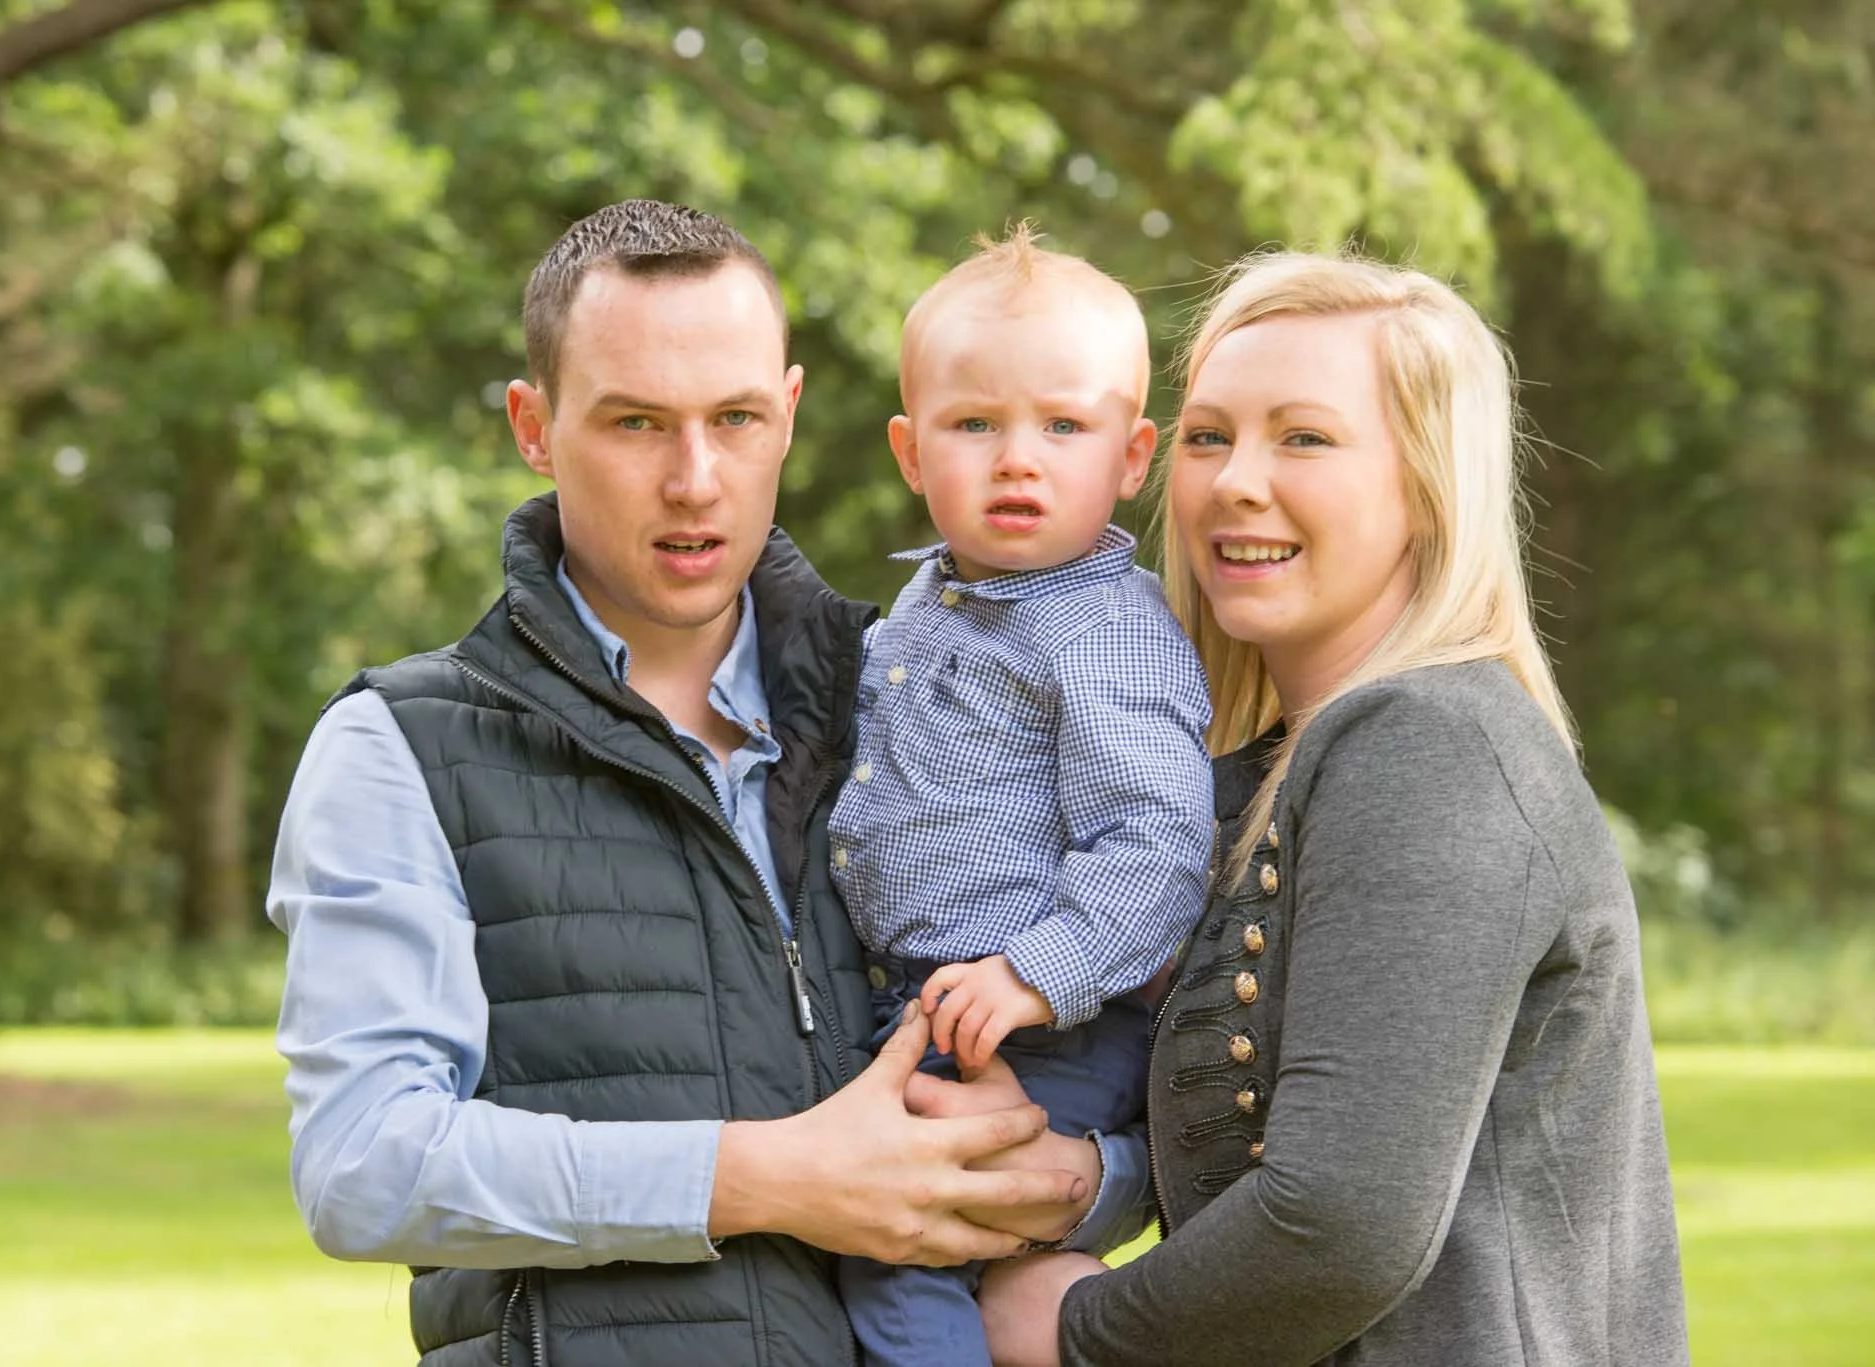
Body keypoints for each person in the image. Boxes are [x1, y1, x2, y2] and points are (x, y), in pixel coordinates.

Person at [265, 199, 1146, 1367]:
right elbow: (363, 1168)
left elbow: (1144, 1070)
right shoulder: (401, 746)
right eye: (636, 422)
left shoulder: (914, 700)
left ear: (785, 413)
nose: (694, 479)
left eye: (733, 418)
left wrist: (1076, 1178)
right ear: (534, 425)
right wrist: (765, 1178)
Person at [978, 251, 1689, 1365]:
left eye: (1301, 437)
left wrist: (1077, 1332)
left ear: (1423, 482)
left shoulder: (1426, 745)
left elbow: (1339, 1223)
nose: (1233, 481)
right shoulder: (1277, 765)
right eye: (1207, 436)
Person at [827, 228, 1213, 1367]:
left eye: (1063, 424)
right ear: (909, 449)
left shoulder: (1104, 631)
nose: (1016, 459)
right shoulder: (920, 611)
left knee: (895, 1243)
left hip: (1047, 1020)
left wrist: (1029, 973)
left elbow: (1154, 843)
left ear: (1132, 454)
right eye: (973, 424)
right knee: (956, 1265)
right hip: (919, 1005)